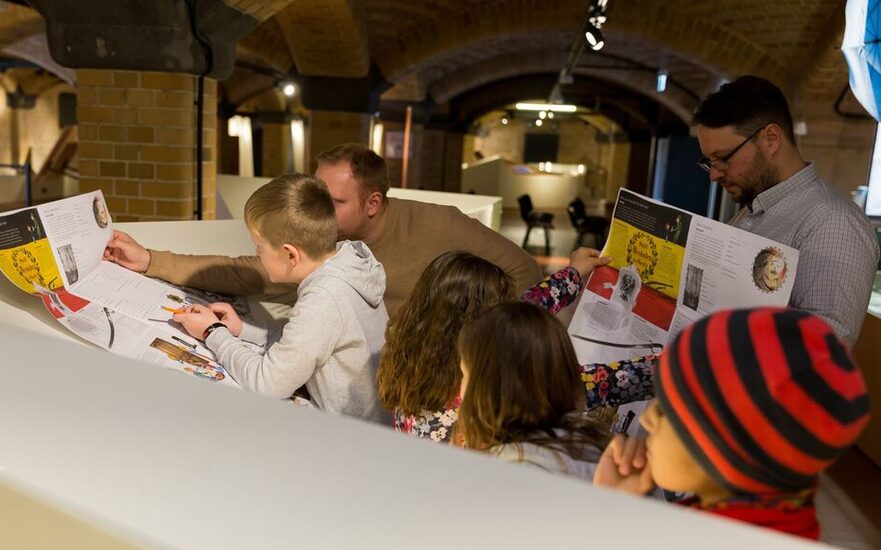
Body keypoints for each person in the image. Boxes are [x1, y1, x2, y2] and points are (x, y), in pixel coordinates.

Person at [103, 143, 541, 316]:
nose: (316, 208)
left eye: (333, 202)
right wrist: (152, 260)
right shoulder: (322, 240)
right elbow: (247, 271)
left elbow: (526, 277)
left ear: (374, 203)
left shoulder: (442, 224)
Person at [593, 307, 871, 540]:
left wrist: (608, 517)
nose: (647, 419)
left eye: (668, 412)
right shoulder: (754, 527)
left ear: (731, 453)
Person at [171, 174, 389, 423]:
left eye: (259, 247)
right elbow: (304, 341)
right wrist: (241, 329)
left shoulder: (325, 297)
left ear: (290, 255)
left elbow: (268, 385)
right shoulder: (346, 264)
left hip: (351, 436)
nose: (257, 254)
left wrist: (212, 332)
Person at [378, 248, 655, 443]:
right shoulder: (495, 385)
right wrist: (675, 365)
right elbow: (597, 382)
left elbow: (521, 306)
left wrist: (573, 274)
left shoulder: (413, 345)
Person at [692, 75, 879, 345]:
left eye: (722, 158)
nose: (714, 174)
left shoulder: (834, 222)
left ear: (770, 139)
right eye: (709, 162)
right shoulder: (755, 208)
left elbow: (823, 348)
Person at [454, 302, 612, 479]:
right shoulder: (581, 446)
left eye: (464, 375)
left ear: (492, 388)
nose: (460, 390)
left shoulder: (511, 475)